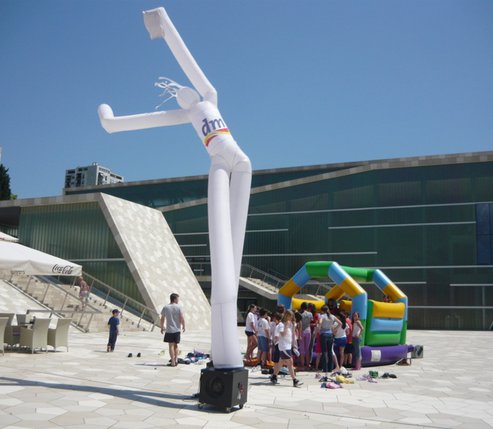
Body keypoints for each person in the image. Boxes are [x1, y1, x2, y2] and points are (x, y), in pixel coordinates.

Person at [98, 7, 251, 370]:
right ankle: (225, 353)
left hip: (238, 158)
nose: (181, 94)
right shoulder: (183, 115)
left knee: (232, 240)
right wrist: (110, 122)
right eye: (179, 95)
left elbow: (187, 60)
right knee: (222, 249)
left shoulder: (209, 95)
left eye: (184, 92)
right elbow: (140, 122)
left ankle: (226, 351)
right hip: (217, 162)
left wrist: (164, 26)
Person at [270, 310, 303, 387]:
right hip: (284, 347)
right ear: (287, 316)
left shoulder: (287, 324)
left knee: (281, 362)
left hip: (287, 346)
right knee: (290, 363)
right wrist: (287, 326)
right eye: (291, 317)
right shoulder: (281, 325)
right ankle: (295, 380)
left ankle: (274, 376)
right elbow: (282, 334)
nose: (292, 318)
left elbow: (291, 335)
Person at [160, 293, 185, 367]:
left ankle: (173, 362)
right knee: (176, 345)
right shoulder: (179, 307)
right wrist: (184, 326)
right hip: (177, 330)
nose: (178, 300)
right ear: (174, 299)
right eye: (177, 299)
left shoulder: (166, 307)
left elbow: (162, 318)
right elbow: (182, 317)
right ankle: (176, 359)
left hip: (169, 330)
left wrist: (162, 327)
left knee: (170, 346)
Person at [318, 305, 340, 374]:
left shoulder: (322, 316)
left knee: (324, 352)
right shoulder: (332, 316)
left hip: (323, 334)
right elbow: (340, 323)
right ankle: (330, 368)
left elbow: (320, 322)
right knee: (330, 351)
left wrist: (319, 328)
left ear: (322, 310)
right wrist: (334, 329)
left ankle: (325, 368)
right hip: (330, 334)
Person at [299, 302, 313, 369]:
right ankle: (308, 364)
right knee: (307, 349)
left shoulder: (300, 314)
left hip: (301, 331)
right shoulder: (310, 314)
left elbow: (299, 324)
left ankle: (302, 364)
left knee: (302, 349)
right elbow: (310, 321)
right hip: (308, 330)